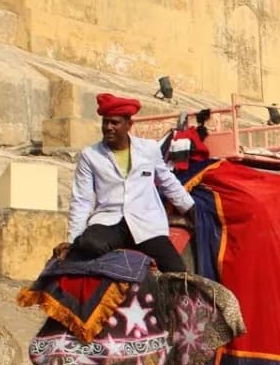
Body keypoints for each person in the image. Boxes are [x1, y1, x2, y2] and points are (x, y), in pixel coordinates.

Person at [54, 93, 194, 273]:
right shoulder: (90, 155)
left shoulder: (149, 149)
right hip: (109, 222)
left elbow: (167, 181)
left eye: (115, 123)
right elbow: (82, 200)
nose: (109, 127)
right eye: (105, 122)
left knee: (176, 269)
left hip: (145, 224)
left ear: (129, 124)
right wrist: (73, 240)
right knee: (88, 245)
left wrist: (189, 207)